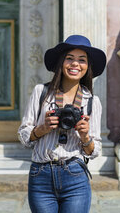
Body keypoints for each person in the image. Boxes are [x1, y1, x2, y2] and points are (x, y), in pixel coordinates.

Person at [18, 35, 106, 213]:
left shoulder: (91, 101)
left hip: (75, 176)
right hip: (40, 175)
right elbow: (23, 136)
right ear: (61, 62)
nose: (75, 64)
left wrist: (85, 136)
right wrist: (42, 129)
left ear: (87, 67)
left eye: (82, 60)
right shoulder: (41, 92)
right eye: (70, 58)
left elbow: (94, 151)